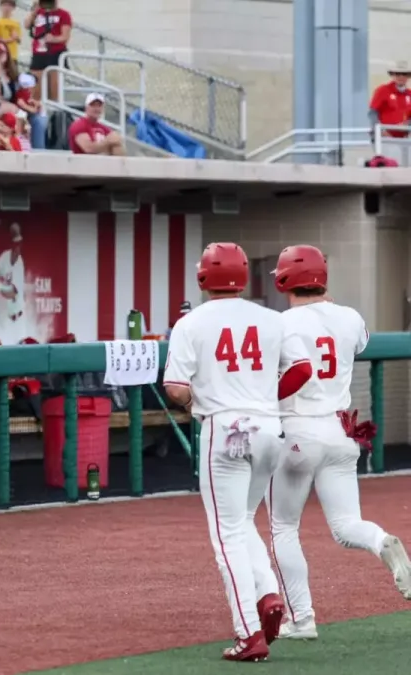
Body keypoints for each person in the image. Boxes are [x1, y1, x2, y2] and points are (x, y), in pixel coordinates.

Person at [162, 242, 313, 662]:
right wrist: (266, 397)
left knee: (226, 532)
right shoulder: (272, 318)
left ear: (203, 276)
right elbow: (302, 369)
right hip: (267, 427)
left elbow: (176, 388)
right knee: (243, 520)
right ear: (243, 276)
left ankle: (248, 632)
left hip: (224, 428)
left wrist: (193, 405)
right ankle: (267, 596)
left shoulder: (190, 323)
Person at [265, 245, 411, 640]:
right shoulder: (350, 318)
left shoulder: (279, 324)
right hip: (340, 432)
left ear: (282, 281)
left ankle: (303, 619)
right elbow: (358, 342)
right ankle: (381, 540)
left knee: (283, 527)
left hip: (296, 430)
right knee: (347, 526)